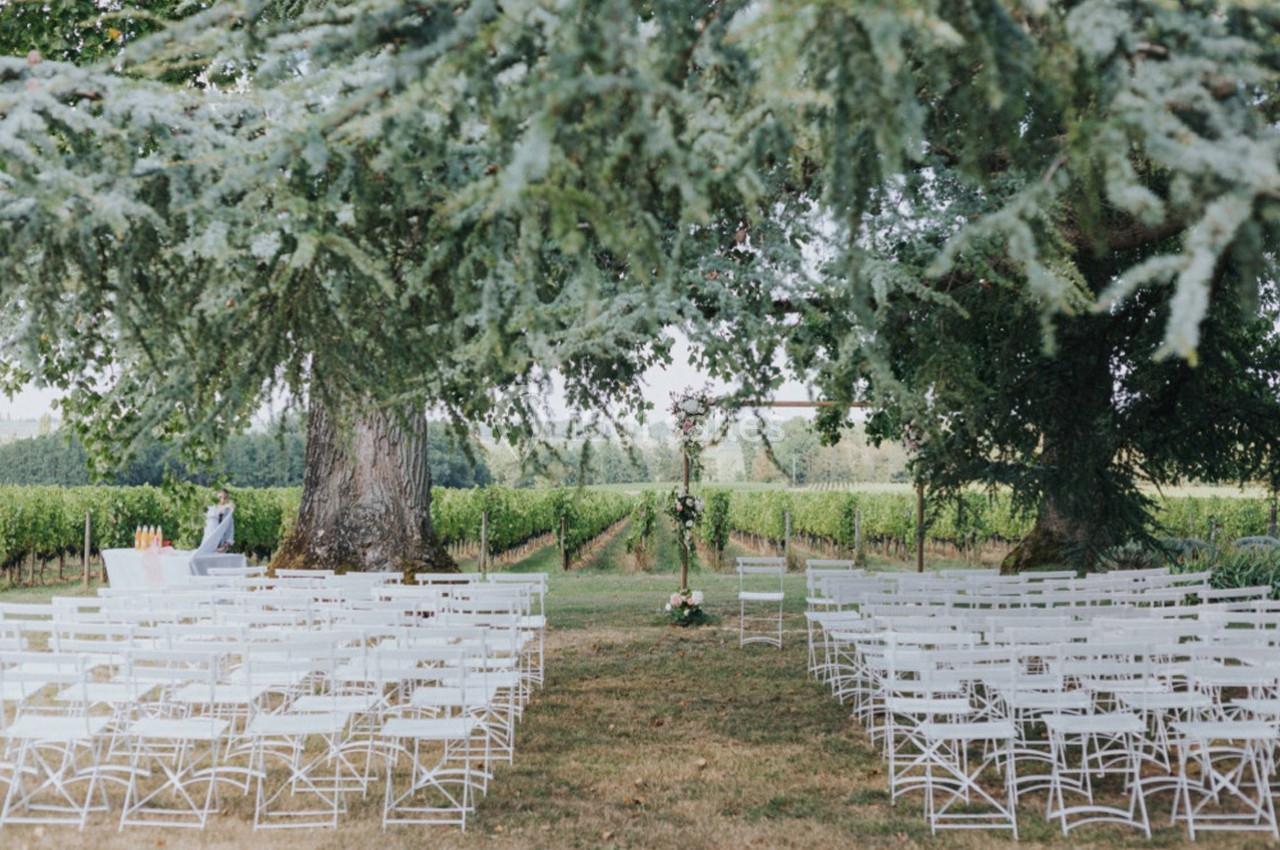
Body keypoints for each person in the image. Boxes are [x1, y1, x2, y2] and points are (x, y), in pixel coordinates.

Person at [198, 488, 236, 554]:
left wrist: (225, 546)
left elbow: (230, 531)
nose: (222, 500)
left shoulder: (228, 513)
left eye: (225, 498)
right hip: (207, 545)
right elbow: (214, 515)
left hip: (220, 547)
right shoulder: (210, 510)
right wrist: (227, 507)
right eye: (220, 497)